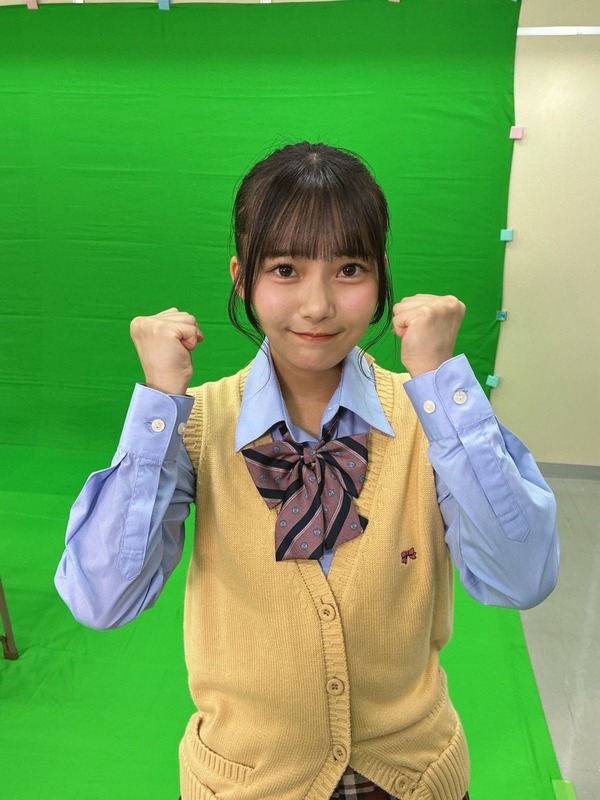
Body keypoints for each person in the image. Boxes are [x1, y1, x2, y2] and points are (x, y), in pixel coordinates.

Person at [55, 142, 559, 800]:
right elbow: (102, 600)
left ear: (382, 278)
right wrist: (157, 404)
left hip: (414, 778)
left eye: (349, 269)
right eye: (286, 269)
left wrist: (444, 385)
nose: (318, 305)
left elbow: (521, 578)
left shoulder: (432, 418)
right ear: (242, 278)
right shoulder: (196, 423)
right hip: (244, 784)